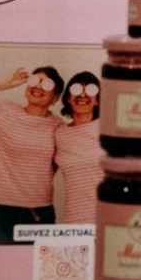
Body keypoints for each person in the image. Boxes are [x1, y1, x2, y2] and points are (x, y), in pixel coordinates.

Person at [0, 65, 63, 243]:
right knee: (0, 261)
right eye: (34, 80)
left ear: (55, 97)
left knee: (37, 262)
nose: (38, 86)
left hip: (40, 212)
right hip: (1, 210)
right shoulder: (2, 112)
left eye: (46, 84)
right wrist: (6, 83)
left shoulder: (58, 126)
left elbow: (59, 162)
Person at [54, 70, 101, 224]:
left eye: (90, 90)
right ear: (68, 98)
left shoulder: (109, 129)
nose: (82, 95)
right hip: (74, 221)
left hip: (108, 219)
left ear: (97, 100)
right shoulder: (59, 133)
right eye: (76, 89)